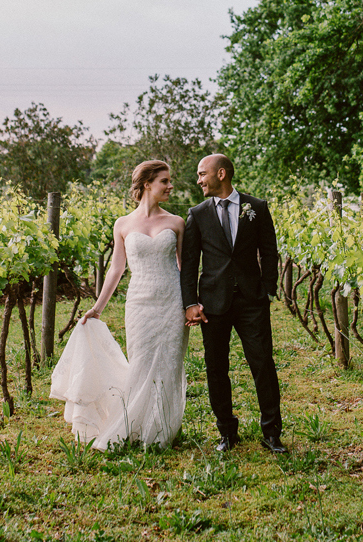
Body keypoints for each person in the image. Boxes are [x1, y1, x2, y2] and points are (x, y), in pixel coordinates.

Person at [49, 160, 188, 449]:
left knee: (168, 365)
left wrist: (191, 304)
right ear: (147, 183)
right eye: (165, 181)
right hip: (139, 303)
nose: (170, 186)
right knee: (140, 363)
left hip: (172, 301)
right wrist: (97, 308)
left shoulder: (176, 222)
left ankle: (161, 429)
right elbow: (116, 269)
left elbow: (184, 267)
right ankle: (132, 426)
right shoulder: (123, 224)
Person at [181, 154, 286, 453]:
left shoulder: (257, 207)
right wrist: (190, 302)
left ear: (222, 174)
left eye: (203, 174)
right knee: (216, 368)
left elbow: (269, 251)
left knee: (263, 364)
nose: (199, 180)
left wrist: (267, 288)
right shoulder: (197, 214)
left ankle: (271, 433)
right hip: (213, 303)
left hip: (252, 300)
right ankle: (227, 432)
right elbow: (189, 263)